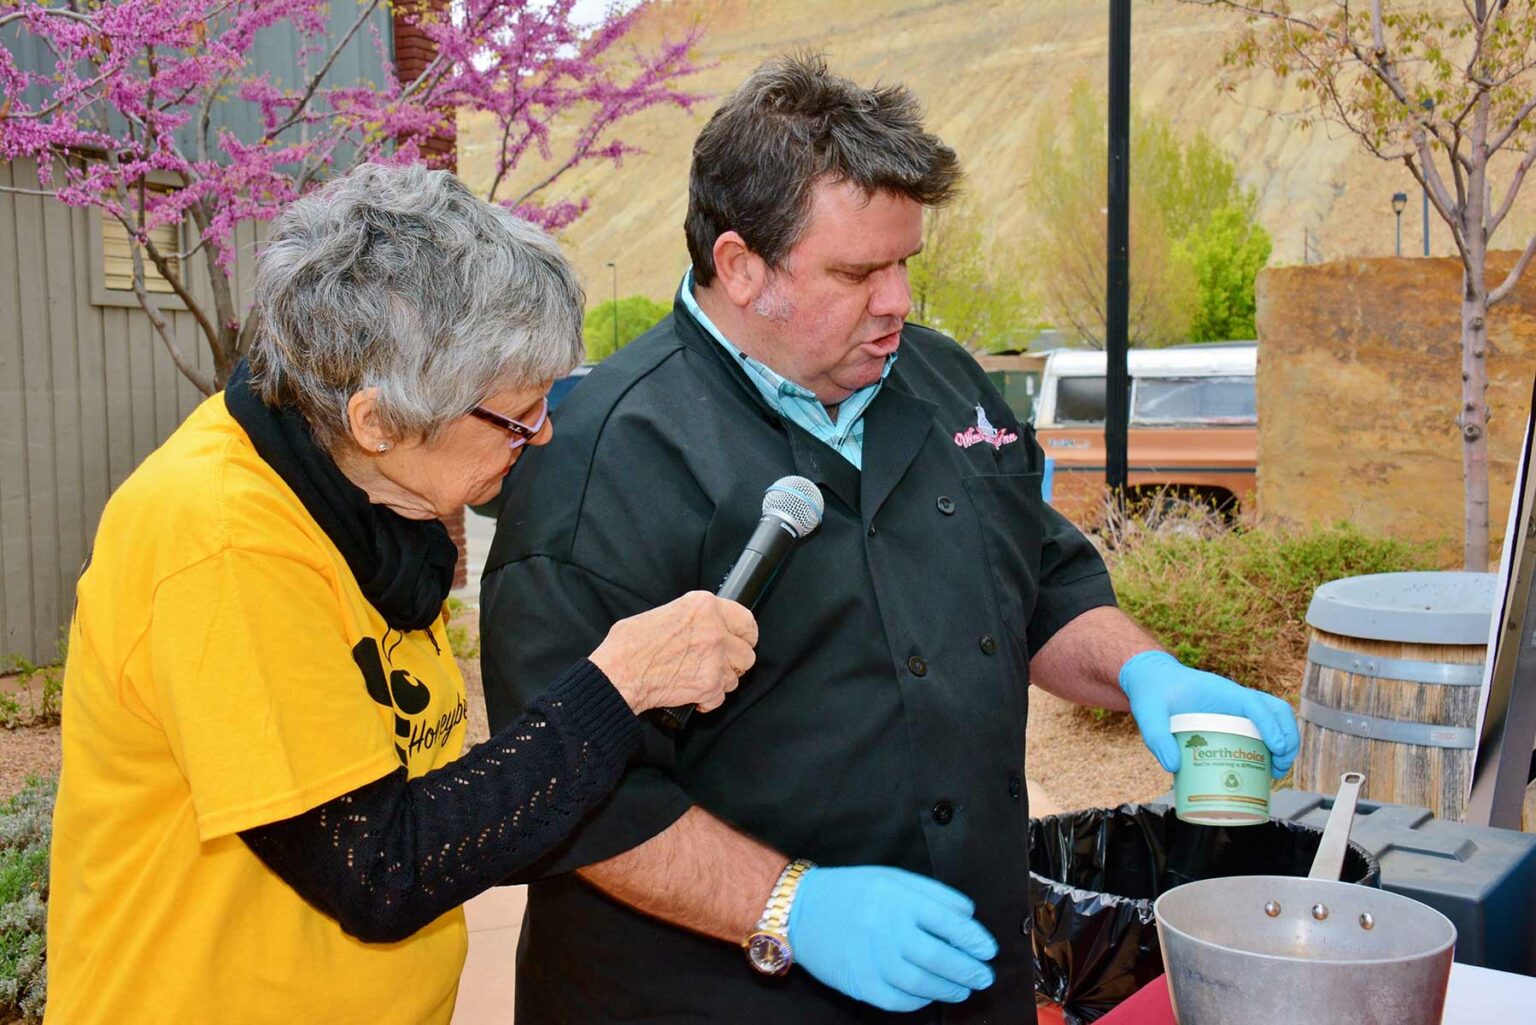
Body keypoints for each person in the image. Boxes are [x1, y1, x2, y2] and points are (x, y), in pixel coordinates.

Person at [480, 54, 1300, 1024]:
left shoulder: (944, 381)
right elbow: (567, 796)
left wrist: (1143, 673)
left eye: (905, 260)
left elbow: (1042, 586)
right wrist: (790, 901)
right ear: (740, 266)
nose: (898, 300)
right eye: (859, 270)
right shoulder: (599, 464)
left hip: (967, 977)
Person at [43, 163, 758, 1025]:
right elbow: (381, 864)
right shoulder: (220, 540)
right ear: (376, 420)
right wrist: (619, 685)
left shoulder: (369, 502)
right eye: (517, 415)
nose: (545, 433)